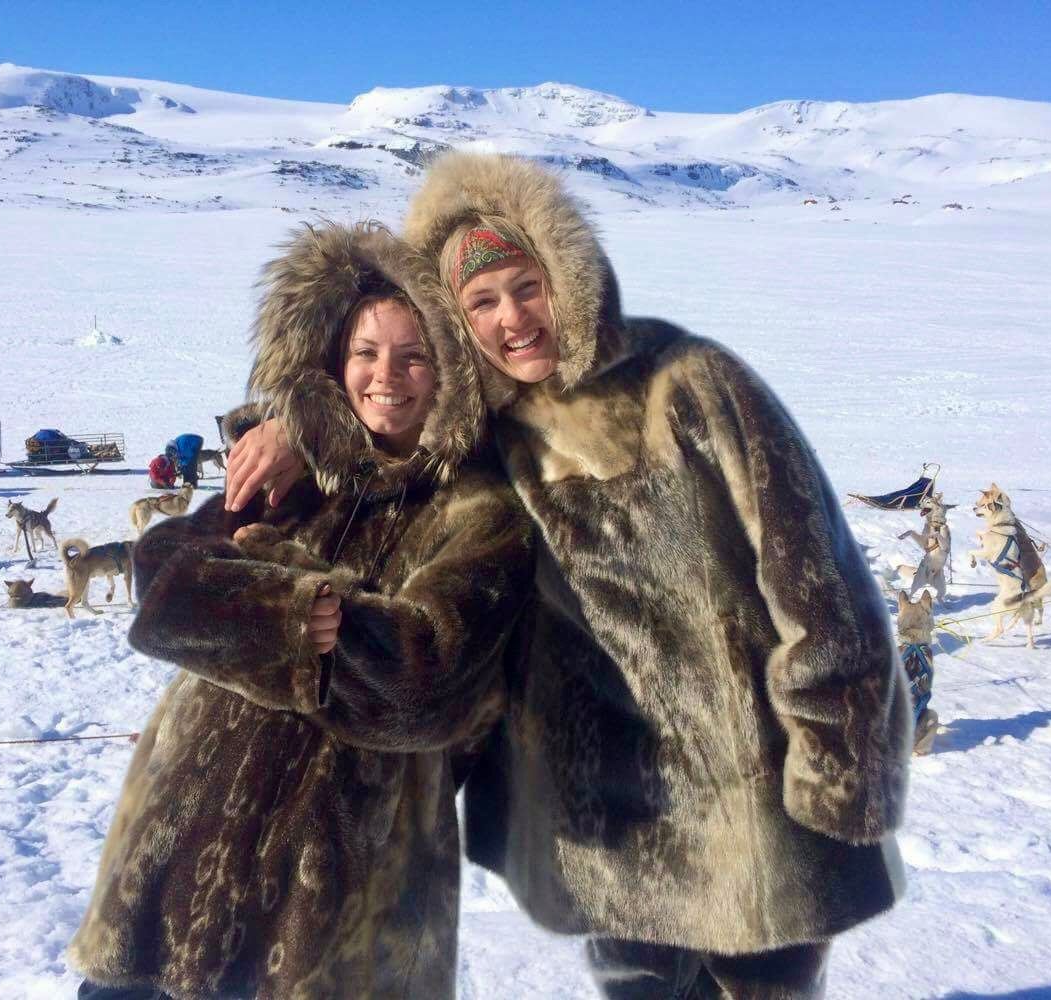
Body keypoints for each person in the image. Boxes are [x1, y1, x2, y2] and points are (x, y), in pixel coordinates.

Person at [226, 154, 909, 999]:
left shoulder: (685, 381)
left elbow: (818, 578)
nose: (512, 319)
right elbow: (378, 424)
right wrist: (296, 426)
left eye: (527, 285)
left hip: (754, 801)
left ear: (566, 274)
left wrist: (838, 761)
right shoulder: (480, 429)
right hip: (607, 821)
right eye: (481, 302)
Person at [69, 223, 533, 999]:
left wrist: (294, 597)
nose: (388, 376)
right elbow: (163, 583)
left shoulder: (482, 510)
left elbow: (428, 679)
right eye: (366, 352)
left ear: (453, 370)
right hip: (180, 844)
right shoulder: (292, 470)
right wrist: (290, 615)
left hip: (346, 884)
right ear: (333, 360)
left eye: (416, 355)